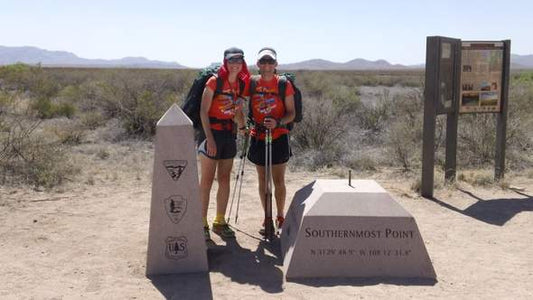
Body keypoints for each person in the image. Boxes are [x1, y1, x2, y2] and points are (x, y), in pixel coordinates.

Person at [198, 47, 250, 240]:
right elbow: (203, 111)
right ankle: (201, 222)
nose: (235, 64)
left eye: (238, 60)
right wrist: (209, 138)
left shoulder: (240, 84)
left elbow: (237, 111)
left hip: (229, 134)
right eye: (231, 61)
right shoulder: (214, 82)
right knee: (207, 180)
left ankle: (219, 221)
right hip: (211, 133)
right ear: (225, 62)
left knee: (225, 179)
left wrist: (243, 127)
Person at [247, 47, 295, 235]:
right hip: (258, 136)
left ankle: (280, 217)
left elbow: (292, 113)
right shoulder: (251, 83)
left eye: (270, 62)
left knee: (278, 180)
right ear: (258, 64)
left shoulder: (283, 84)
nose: (267, 65)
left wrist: (277, 122)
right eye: (263, 62)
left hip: (279, 136)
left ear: (276, 64)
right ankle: (267, 217)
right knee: (262, 180)